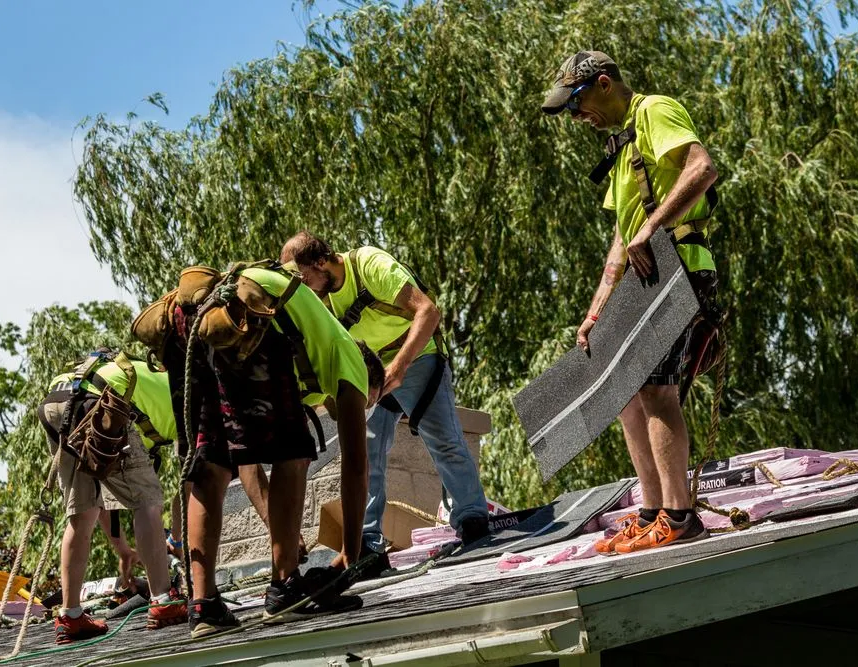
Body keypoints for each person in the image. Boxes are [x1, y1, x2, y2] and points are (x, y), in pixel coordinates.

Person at [140, 262, 385, 638]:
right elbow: (356, 465)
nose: (359, 407)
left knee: (212, 460)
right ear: (370, 379)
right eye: (369, 401)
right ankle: (285, 588)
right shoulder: (348, 355)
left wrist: (278, 526)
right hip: (251, 314)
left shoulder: (310, 356)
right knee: (293, 450)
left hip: (187, 323)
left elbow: (245, 460)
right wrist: (351, 555)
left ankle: (203, 606)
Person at [542, 51, 721, 553]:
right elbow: (622, 240)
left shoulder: (655, 111)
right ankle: (650, 511)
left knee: (657, 391)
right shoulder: (622, 149)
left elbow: (702, 167)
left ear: (603, 84)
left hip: (680, 265)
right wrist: (596, 311)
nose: (577, 119)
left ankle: (680, 516)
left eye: (576, 105)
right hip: (648, 275)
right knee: (626, 393)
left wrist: (650, 227)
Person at [281, 233, 490, 577]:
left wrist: (399, 367)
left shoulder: (369, 265)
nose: (306, 289)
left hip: (416, 355)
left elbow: (428, 311)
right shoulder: (323, 300)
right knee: (366, 447)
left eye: (304, 279)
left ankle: (472, 522)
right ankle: (366, 544)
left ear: (321, 262)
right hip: (371, 368)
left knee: (443, 439)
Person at [37, 352, 186, 643]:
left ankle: (71, 616)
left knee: (82, 513)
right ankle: (163, 600)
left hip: (56, 401)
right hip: (101, 400)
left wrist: (121, 548)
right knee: (149, 503)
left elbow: (105, 492)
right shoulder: (186, 401)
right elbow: (190, 484)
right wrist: (177, 543)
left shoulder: (153, 393)